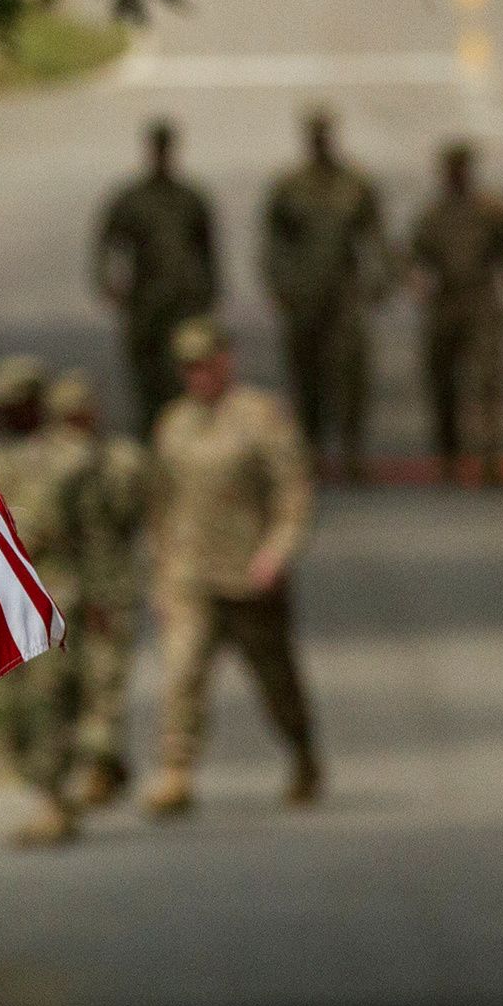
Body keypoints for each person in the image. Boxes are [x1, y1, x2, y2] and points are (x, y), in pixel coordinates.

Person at [144, 319, 323, 812]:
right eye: (189, 367)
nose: (199, 375)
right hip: (190, 574)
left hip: (249, 576)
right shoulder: (173, 424)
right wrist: (161, 576)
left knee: (276, 680)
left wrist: (277, 551)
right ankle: (176, 774)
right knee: (180, 674)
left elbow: (293, 493)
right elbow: (161, 506)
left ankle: (302, 752)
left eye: (206, 363)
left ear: (226, 360)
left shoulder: (261, 417)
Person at [0, 354, 99, 845]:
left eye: (14, 406)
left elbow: (96, 536)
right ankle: (49, 787)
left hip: (59, 592)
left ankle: (55, 797)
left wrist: (103, 599)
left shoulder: (72, 459)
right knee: (20, 709)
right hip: (10, 601)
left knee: (52, 698)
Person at [261, 106, 391, 481]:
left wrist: (380, 280)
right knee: (306, 374)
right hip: (304, 295)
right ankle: (310, 450)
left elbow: (375, 236)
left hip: (344, 295)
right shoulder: (289, 187)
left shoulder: (354, 184)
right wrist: (279, 285)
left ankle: (352, 451)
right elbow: (273, 243)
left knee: (351, 372)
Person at [408, 141, 503, 486]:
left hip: (482, 303)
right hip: (445, 303)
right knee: (441, 383)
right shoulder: (432, 215)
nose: (455, 175)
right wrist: (416, 280)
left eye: (460, 167)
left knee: (488, 382)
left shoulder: (493, 212)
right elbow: (413, 257)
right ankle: (449, 455)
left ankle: (490, 458)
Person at [47, 369, 148, 808]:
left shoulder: (119, 460)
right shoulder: (47, 462)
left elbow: (133, 512)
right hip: (68, 588)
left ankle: (99, 766)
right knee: (72, 681)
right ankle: (102, 760)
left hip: (110, 586)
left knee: (106, 679)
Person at [94, 120, 221, 433]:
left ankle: (184, 440)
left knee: (186, 372)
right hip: (146, 303)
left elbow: (207, 250)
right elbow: (106, 243)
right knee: (146, 378)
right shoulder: (133, 199)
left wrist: (209, 292)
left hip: (183, 302)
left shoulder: (189, 199)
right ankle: (150, 437)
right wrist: (109, 284)